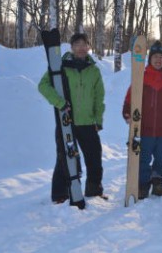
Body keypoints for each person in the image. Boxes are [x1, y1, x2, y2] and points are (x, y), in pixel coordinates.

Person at [39, 33, 106, 203]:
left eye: (84, 44)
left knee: (94, 157)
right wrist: (59, 103)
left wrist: (98, 120)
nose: (81, 48)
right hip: (66, 122)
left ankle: (94, 189)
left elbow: (99, 97)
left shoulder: (94, 70)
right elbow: (43, 86)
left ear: (89, 47)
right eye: (77, 44)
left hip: (87, 122)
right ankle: (60, 195)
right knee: (66, 157)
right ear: (72, 47)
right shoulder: (60, 66)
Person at [122, 41, 162, 199]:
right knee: (143, 159)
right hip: (144, 128)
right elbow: (129, 99)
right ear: (149, 59)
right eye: (155, 57)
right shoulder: (140, 77)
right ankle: (142, 186)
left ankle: (158, 185)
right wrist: (127, 114)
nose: (158, 60)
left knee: (161, 159)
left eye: (161, 57)